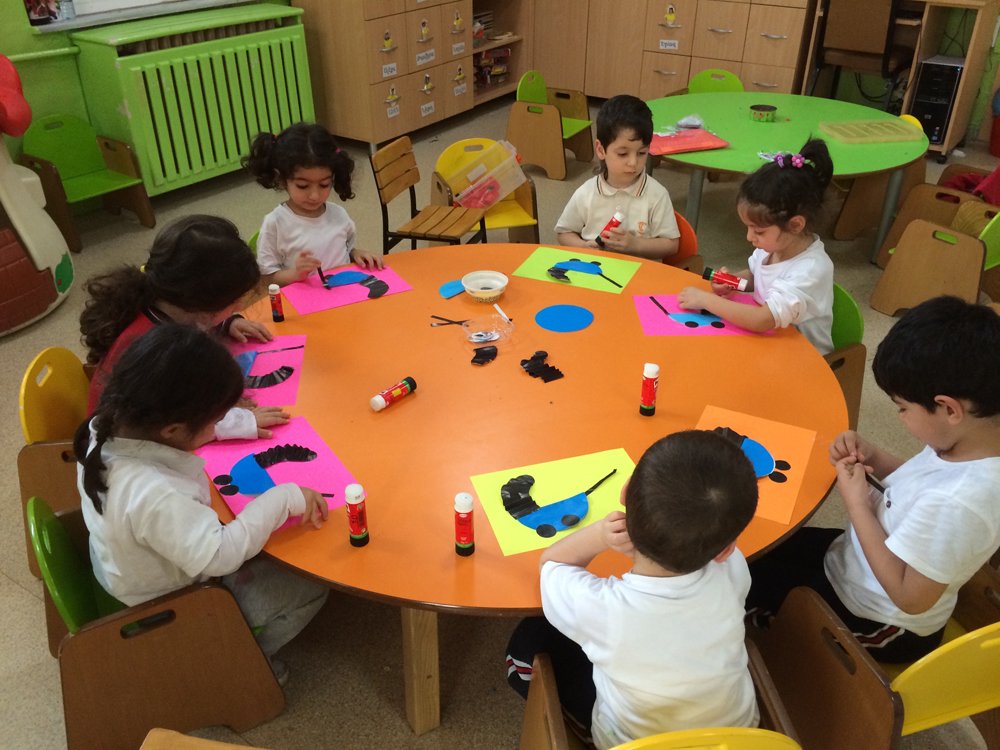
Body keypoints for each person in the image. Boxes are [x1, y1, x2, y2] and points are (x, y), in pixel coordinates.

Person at [746, 296, 1000, 663]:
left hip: (878, 621)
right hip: (854, 562)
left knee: (740, 590)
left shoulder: (960, 502)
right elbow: (917, 485)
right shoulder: (965, 441)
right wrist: (874, 457)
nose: (899, 417)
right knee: (757, 551)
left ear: (949, 408)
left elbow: (910, 598)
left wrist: (856, 504)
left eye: (902, 408)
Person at [75, 324, 330, 684]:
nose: (218, 425)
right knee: (310, 587)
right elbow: (221, 556)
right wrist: (285, 497)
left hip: (126, 570)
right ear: (173, 429)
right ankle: (243, 664)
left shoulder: (109, 423)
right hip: (173, 605)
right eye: (215, 420)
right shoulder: (156, 493)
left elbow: (174, 432)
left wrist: (232, 424)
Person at [505, 430, 760, 749]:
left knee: (526, 643)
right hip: (738, 737)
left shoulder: (604, 610)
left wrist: (600, 535)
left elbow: (551, 565)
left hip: (633, 742)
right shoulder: (733, 568)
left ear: (624, 493)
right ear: (725, 550)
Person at [80, 215, 286, 441]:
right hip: (124, 442)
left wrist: (226, 322)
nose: (239, 307)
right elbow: (163, 423)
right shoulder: (159, 348)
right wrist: (237, 423)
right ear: (204, 306)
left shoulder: (163, 303)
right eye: (234, 301)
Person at [678, 138, 835, 354]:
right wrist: (732, 282)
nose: (749, 237)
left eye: (758, 231)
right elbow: (756, 276)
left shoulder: (811, 270)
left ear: (795, 225)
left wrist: (706, 300)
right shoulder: (772, 247)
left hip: (803, 357)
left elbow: (762, 320)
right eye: (748, 228)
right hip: (770, 341)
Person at [243, 122, 382, 287]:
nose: (315, 195)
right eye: (303, 186)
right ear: (281, 179)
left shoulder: (339, 214)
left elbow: (345, 250)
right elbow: (267, 279)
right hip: (303, 299)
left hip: (343, 294)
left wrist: (356, 254)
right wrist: (295, 274)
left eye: (324, 184)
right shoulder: (275, 224)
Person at [555, 95, 680, 260]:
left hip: (639, 270)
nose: (633, 162)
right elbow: (564, 232)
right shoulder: (586, 192)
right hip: (595, 267)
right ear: (601, 150)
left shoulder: (656, 194)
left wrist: (635, 245)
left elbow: (671, 244)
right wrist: (583, 247)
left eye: (642, 153)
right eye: (622, 154)